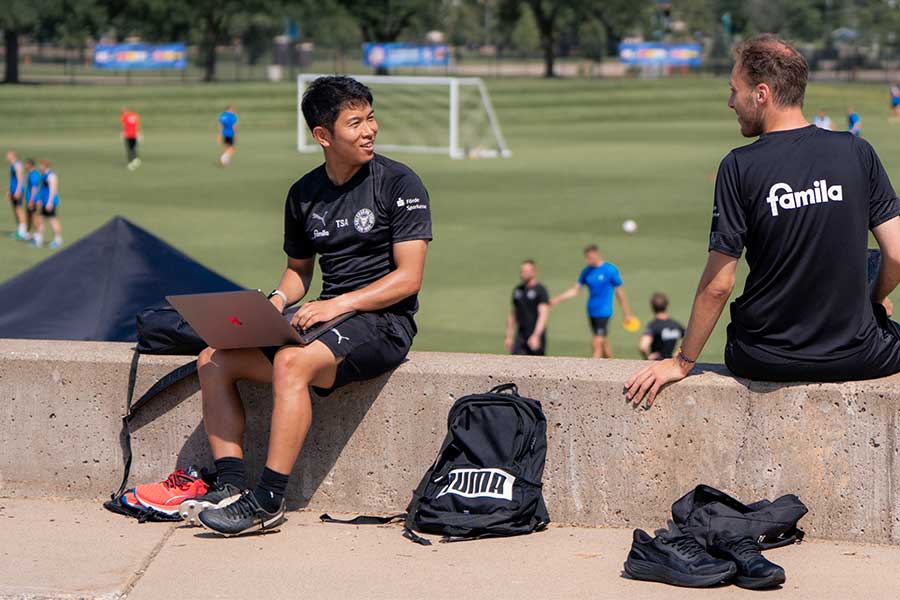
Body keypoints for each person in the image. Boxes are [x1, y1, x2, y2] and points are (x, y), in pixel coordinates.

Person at [188, 76, 432, 536]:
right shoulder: (303, 193)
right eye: (355, 122)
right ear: (323, 136)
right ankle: (231, 485)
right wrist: (275, 301)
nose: (370, 130)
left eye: (371, 118)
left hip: (384, 323)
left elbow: (408, 279)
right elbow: (299, 272)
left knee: (291, 364)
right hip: (325, 319)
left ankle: (268, 502)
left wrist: (336, 304)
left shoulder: (400, 182)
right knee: (213, 359)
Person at [625, 34, 900, 407]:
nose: (730, 102)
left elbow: (720, 283)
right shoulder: (857, 151)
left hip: (764, 358)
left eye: (734, 91)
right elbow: (896, 254)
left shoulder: (739, 166)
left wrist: (682, 360)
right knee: (868, 263)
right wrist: (875, 299)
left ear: (762, 93)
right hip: (858, 356)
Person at [550, 245, 635, 358]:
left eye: (589, 257)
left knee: (596, 343)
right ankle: (612, 366)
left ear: (597, 255)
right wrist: (557, 299)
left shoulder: (610, 270)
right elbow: (575, 290)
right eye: (586, 258)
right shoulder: (587, 271)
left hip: (604, 312)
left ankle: (593, 372)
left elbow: (620, 293)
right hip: (592, 311)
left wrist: (627, 313)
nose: (587, 260)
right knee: (603, 342)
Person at [505, 260, 550, 356]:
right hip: (521, 335)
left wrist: (536, 335)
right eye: (522, 271)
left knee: (537, 366)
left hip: (535, 333)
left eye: (526, 271)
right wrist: (509, 336)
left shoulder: (540, 290)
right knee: (515, 362)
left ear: (533, 272)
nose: (522, 274)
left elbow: (543, 314)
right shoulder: (518, 290)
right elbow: (513, 313)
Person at [638, 293, 685, 360]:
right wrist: (678, 352)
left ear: (652, 307)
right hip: (671, 363)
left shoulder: (653, 326)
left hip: (656, 364)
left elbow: (643, 347)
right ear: (667, 306)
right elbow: (690, 340)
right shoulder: (675, 325)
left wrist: (647, 358)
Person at [31, 159, 63, 249]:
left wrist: (50, 202)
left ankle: (58, 240)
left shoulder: (51, 175)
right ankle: (39, 239)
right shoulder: (43, 175)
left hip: (49, 202)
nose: (39, 167)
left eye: (41, 165)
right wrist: (40, 199)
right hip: (44, 201)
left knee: (53, 220)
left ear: (45, 166)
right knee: (40, 220)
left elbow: (53, 189)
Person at [6, 151, 26, 240]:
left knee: (19, 209)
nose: (7, 156)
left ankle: (23, 231)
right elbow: (13, 180)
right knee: (16, 209)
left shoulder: (17, 165)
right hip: (13, 190)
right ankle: (19, 230)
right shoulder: (12, 165)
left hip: (18, 191)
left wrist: (18, 191)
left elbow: (20, 178)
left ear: (13, 156)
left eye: (8, 154)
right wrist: (10, 191)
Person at [23, 158, 40, 238]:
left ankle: (37, 234)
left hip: (33, 200)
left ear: (30, 165)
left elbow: (34, 188)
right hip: (31, 199)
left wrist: (31, 200)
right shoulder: (31, 173)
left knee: (34, 217)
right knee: (29, 216)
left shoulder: (33, 174)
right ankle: (27, 232)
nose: (24, 166)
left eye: (26, 164)